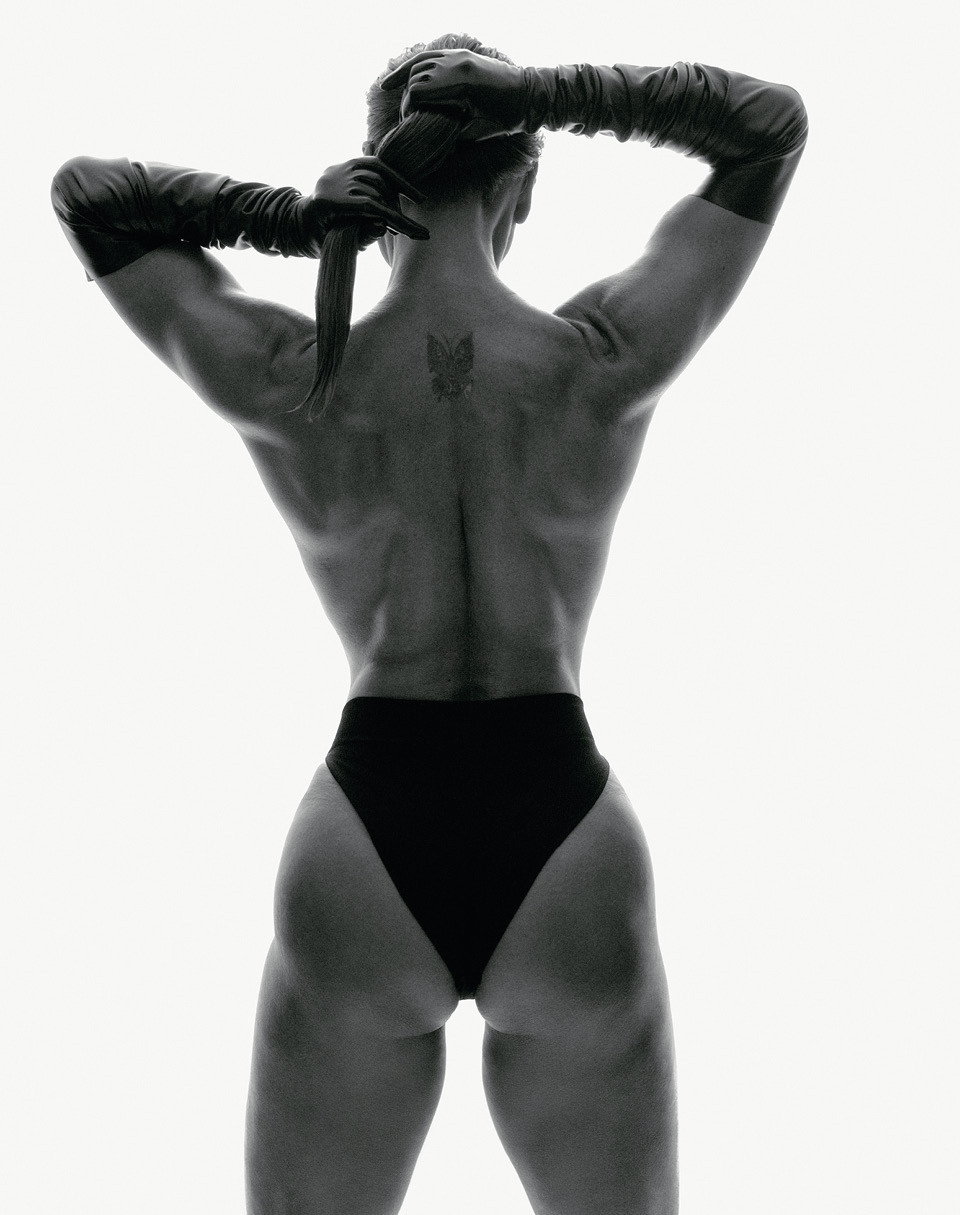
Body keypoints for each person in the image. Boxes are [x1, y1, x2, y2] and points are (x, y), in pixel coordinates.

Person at [51, 32, 807, 1215]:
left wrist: (289, 223)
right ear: (522, 192)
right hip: (564, 832)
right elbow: (769, 127)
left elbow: (88, 196)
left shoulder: (293, 372)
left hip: (367, 830)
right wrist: (552, 91)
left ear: (378, 175)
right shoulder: (598, 359)